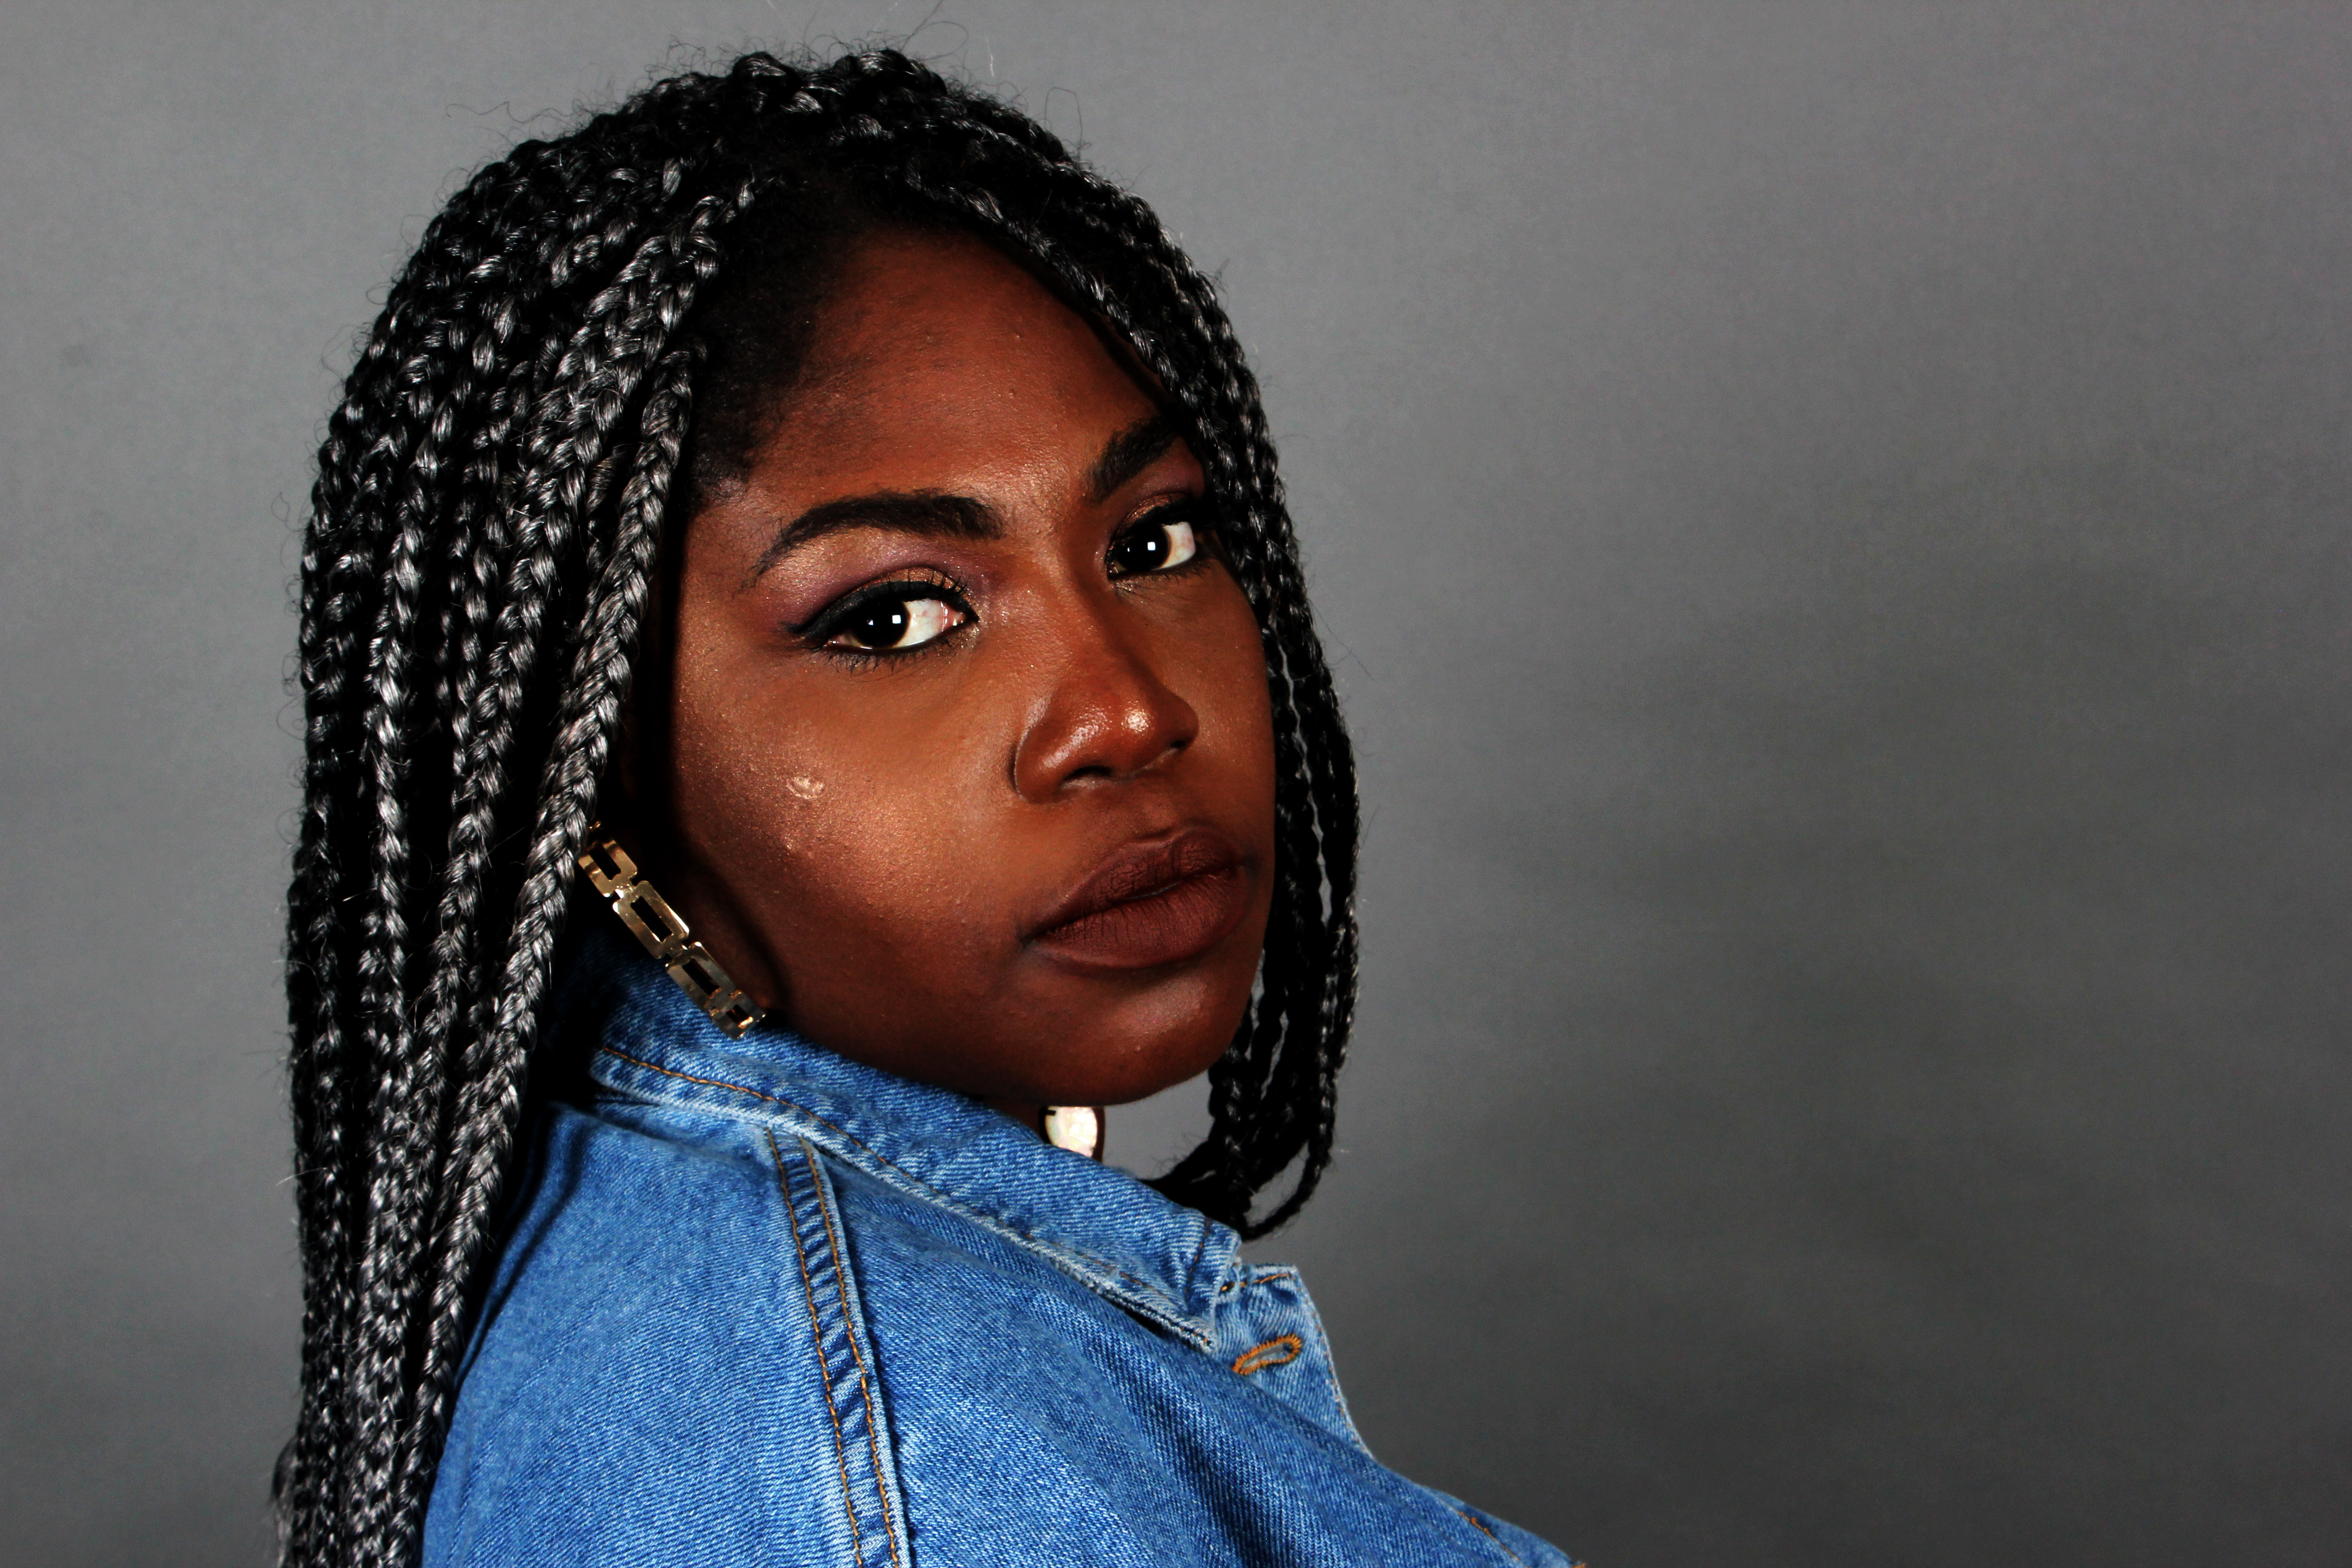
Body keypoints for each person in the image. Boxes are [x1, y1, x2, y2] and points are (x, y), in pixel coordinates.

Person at [282, 47, 1576, 1568]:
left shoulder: (645, 1198)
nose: (1127, 713)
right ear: (589, 753)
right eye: (895, 617)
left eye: (1155, 542)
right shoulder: (909, 1486)